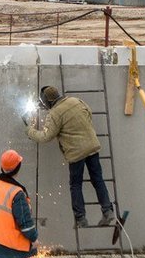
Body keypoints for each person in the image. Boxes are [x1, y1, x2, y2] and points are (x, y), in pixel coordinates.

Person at [25, 86, 115, 229]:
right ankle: (108, 210)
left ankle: (80, 219)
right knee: (97, 179)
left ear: (48, 101)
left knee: (76, 184)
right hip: (92, 146)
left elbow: (45, 136)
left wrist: (29, 131)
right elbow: (89, 114)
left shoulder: (55, 114)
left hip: (76, 153)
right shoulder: (76, 100)